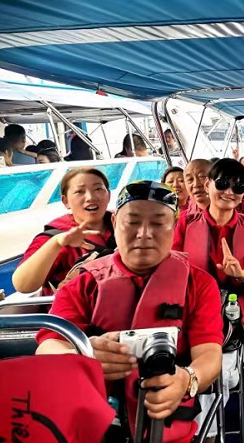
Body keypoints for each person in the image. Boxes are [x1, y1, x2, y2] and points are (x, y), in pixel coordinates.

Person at [36, 181, 223, 442]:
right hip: (89, 430)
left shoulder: (199, 284)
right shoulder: (83, 284)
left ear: (174, 227)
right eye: (132, 222)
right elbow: (48, 347)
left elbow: (209, 355)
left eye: (158, 223)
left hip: (168, 433)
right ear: (115, 224)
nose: (144, 234)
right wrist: (81, 354)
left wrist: (188, 379)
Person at [172, 159, 244, 431]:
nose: (230, 192)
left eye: (238, 187)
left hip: (240, 306)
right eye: (222, 184)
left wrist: (243, 275)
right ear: (209, 184)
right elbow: (170, 271)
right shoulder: (186, 223)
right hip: (197, 308)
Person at [13, 167, 115, 295]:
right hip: (75, 306)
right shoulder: (54, 236)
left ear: (108, 195)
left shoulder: (124, 223)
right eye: (79, 191)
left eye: (98, 189)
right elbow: (23, 285)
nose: (90, 197)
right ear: (66, 201)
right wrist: (56, 243)